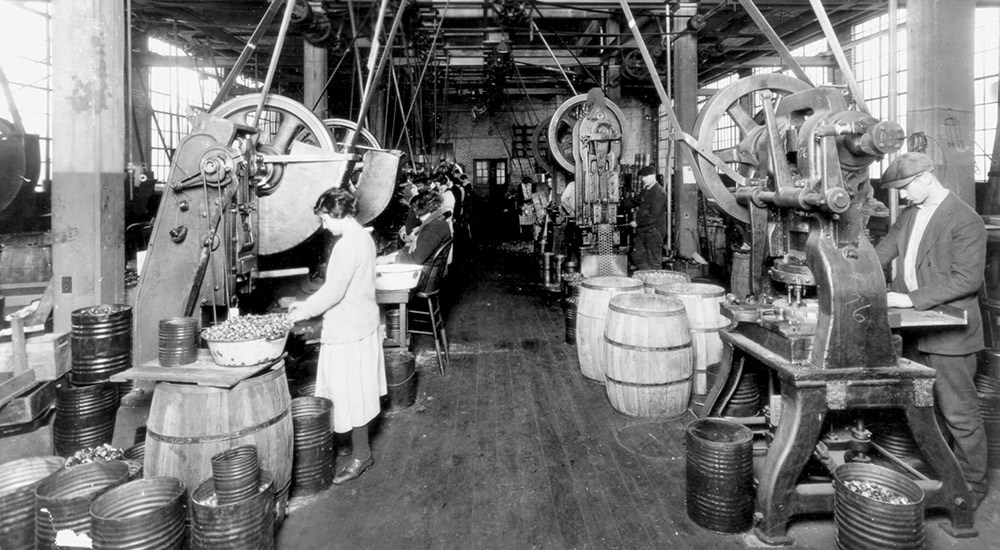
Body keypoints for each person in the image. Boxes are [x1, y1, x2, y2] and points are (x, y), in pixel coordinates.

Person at [874, 151, 988, 508]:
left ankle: (970, 487)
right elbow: (880, 254)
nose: (903, 196)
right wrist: (848, 268)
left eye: (906, 187)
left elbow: (967, 279)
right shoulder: (909, 215)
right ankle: (938, 473)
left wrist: (910, 300)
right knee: (923, 410)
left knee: (959, 414)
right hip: (915, 331)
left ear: (926, 177)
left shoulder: (966, 220)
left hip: (950, 334)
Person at [286, 188, 386, 484]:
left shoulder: (347, 245)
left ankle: (360, 456)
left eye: (325, 219)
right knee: (359, 395)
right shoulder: (363, 237)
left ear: (337, 214)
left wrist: (303, 310)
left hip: (348, 330)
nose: (325, 225)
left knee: (351, 397)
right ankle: (360, 451)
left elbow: (334, 292)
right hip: (361, 322)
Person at [386, 190, 452, 266]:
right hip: (425, 266)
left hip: (426, 270)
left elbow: (416, 258)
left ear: (417, 211)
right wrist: (393, 255)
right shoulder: (434, 221)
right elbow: (417, 248)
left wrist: (390, 259)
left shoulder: (432, 228)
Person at [621, 165, 667, 270]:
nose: (643, 179)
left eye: (645, 177)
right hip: (643, 230)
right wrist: (620, 202)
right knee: (637, 256)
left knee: (654, 261)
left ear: (653, 176)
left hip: (654, 232)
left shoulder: (659, 193)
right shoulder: (646, 190)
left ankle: (655, 282)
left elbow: (652, 216)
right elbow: (636, 200)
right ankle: (648, 275)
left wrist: (637, 223)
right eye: (642, 177)